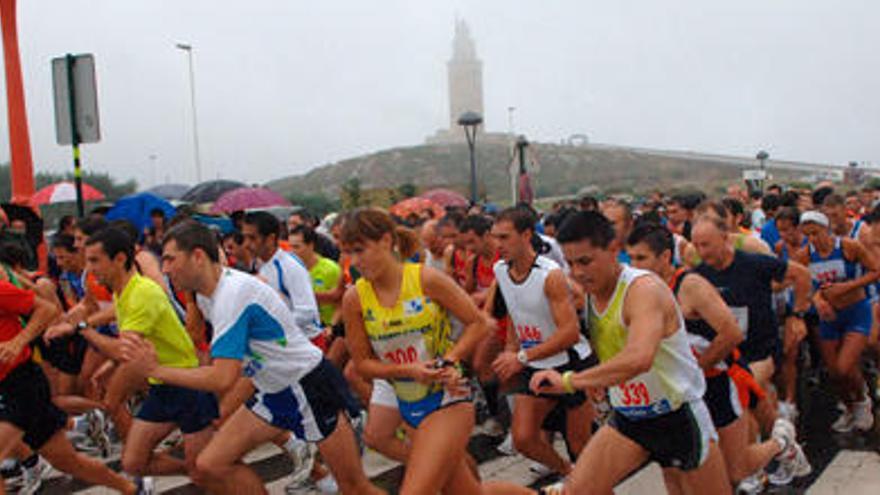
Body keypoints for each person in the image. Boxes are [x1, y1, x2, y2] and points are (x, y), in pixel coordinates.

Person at [121, 220, 381, 495]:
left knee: (355, 487)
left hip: (308, 386)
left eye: (170, 259)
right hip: (273, 390)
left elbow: (222, 378)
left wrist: (155, 370)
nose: (164, 269)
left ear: (198, 256)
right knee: (210, 464)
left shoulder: (232, 295)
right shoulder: (209, 294)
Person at [530, 210, 731, 495]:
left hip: (676, 417)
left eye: (585, 261)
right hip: (630, 417)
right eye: (571, 263)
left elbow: (639, 357)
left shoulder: (643, 289)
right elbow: (613, 348)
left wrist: (571, 381)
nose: (578, 273)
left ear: (613, 249)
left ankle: (781, 444)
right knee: (580, 490)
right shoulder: (589, 293)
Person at [626, 223, 810, 490]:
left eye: (641, 258)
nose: (634, 265)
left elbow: (731, 334)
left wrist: (697, 368)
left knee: (737, 468)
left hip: (720, 381)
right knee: (675, 468)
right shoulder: (639, 292)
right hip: (679, 392)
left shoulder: (690, 285)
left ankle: (780, 443)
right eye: (631, 258)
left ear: (665, 257)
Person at [44, 227, 218, 487]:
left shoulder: (143, 292)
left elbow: (123, 350)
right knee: (133, 462)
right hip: (161, 388)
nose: (90, 269)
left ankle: (203, 473)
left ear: (120, 259)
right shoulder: (124, 291)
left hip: (187, 385)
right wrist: (81, 330)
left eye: (95, 260)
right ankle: (192, 471)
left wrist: (82, 328)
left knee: (209, 470)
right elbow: (124, 325)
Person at [340, 207, 490, 494]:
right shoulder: (355, 297)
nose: (354, 261)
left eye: (360, 250)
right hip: (407, 396)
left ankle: (439, 458)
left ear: (386, 240)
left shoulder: (425, 279)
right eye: (348, 252)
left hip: (448, 395)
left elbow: (480, 324)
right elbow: (362, 365)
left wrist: (449, 360)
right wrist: (407, 371)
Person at [0, 268, 140, 495]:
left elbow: (46, 309)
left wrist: (18, 341)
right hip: (10, 387)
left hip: (20, 383)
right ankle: (131, 489)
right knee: (66, 461)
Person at [490, 207, 595, 476]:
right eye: (495, 237)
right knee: (523, 438)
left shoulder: (551, 274)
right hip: (535, 362)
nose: (497, 245)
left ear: (526, 235)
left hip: (570, 362)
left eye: (504, 237)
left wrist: (521, 357)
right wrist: (510, 350)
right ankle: (568, 474)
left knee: (579, 443)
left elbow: (569, 332)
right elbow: (516, 312)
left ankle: (588, 482)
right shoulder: (500, 270)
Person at [792, 211, 879, 432]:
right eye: (808, 235)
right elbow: (802, 285)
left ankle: (861, 401)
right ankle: (849, 408)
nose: (813, 239)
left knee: (845, 366)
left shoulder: (849, 247)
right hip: (828, 317)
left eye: (816, 233)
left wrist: (848, 286)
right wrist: (817, 299)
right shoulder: (804, 256)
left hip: (856, 311)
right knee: (834, 373)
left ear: (826, 229)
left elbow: (875, 270)